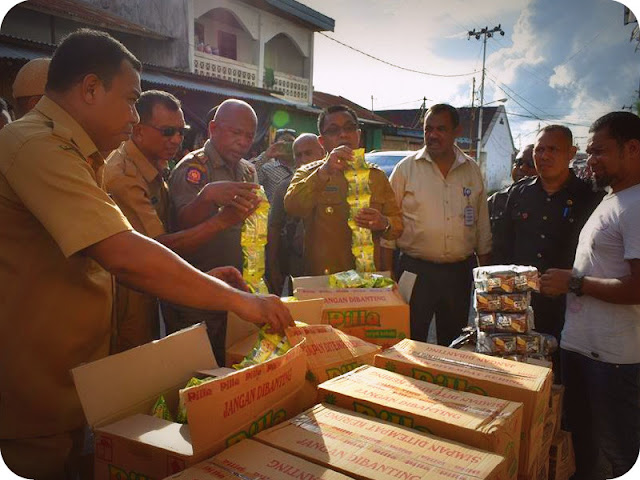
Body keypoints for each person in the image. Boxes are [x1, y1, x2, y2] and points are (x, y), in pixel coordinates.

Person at [0, 29, 292, 480]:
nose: (135, 115)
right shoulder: (36, 145)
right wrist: (241, 301)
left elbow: (99, 257)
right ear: (91, 88)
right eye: (132, 99)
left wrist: (209, 280)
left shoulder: (81, 154)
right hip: (36, 392)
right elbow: (124, 253)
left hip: (72, 380)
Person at [105, 90, 248, 352]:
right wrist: (219, 218)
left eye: (181, 131)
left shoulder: (154, 165)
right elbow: (158, 246)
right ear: (138, 130)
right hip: (128, 294)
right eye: (168, 131)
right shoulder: (124, 176)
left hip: (159, 286)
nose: (177, 139)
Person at [540, 112, 640, 480]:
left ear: (632, 149)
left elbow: (638, 288)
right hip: (585, 349)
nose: (591, 159)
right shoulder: (615, 198)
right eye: (590, 151)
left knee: (613, 458)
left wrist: (574, 282)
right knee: (584, 452)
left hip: (611, 360)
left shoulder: (636, 206)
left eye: (600, 151)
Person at [493, 125, 604, 377]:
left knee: (562, 373)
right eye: (540, 149)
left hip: (570, 305)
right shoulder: (519, 193)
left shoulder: (591, 197)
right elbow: (503, 247)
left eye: (553, 149)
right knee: (517, 372)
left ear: (571, 153)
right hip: (521, 302)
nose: (544, 156)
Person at [382, 103, 491, 347]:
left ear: (456, 131)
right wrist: (388, 275)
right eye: (428, 129)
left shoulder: (471, 170)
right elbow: (389, 224)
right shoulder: (406, 169)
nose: (433, 135)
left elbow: (482, 227)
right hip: (413, 270)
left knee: (453, 343)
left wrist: (487, 283)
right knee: (408, 339)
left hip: (459, 273)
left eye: (441, 129)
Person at [164, 98, 263, 365]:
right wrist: (208, 198)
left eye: (249, 135)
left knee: (230, 366)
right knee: (194, 370)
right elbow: (181, 223)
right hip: (197, 290)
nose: (243, 141)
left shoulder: (247, 170)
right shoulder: (194, 168)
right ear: (213, 129)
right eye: (235, 132)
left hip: (235, 289)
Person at [284, 105, 403, 276]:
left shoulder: (377, 176)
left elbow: (398, 224)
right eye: (333, 130)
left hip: (366, 280)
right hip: (324, 281)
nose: (343, 134)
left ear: (358, 135)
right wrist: (324, 171)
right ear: (322, 142)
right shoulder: (309, 173)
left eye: (349, 128)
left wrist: (384, 222)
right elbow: (293, 207)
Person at [267, 133, 325, 294]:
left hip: (332, 268)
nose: (303, 159)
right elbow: (274, 227)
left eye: (308, 153)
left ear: (322, 152)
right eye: (298, 155)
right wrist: (273, 267)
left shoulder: (337, 183)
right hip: (297, 267)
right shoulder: (285, 188)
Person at [488, 144, 535, 231]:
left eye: (531, 163)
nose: (522, 168)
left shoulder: (547, 203)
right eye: (518, 162)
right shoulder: (495, 201)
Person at [255, 128, 297, 202]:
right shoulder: (267, 168)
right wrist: (266, 155)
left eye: (291, 142)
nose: (287, 146)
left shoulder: (303, 167)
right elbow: (250, 178)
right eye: (283, 142)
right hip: (276, 212)